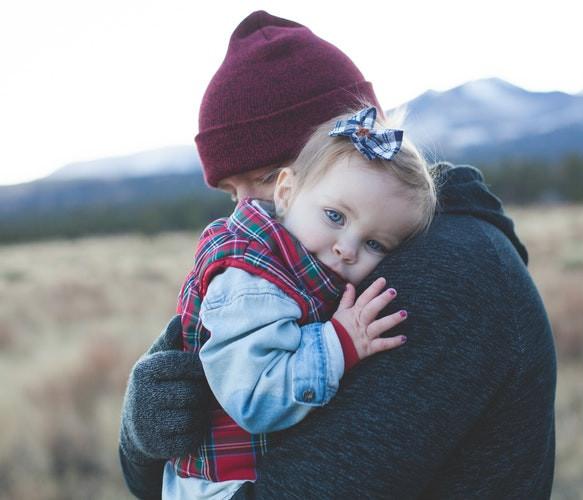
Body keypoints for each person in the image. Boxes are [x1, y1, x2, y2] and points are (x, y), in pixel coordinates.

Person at [119, 10, 557, 500]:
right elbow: (153, 477)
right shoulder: (296, 267)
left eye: (265, 178)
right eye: (230, 193)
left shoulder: (445, 274)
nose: (246, 213)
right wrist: (142, 434)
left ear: (351, 144)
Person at [163, 106, 436, 499]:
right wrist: (338, 342)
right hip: (223, 488)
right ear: (287, 192)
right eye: (334, 216)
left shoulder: (301, 265)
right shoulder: (251, 282)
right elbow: (255, 398)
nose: (347, 249)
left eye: (375, 244)